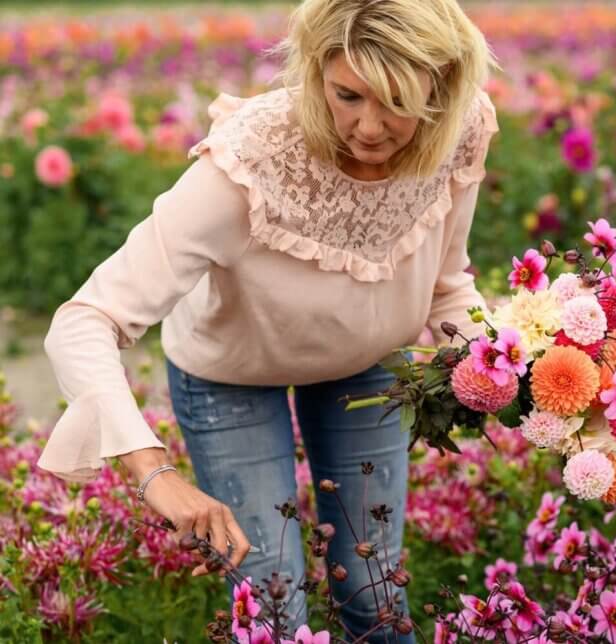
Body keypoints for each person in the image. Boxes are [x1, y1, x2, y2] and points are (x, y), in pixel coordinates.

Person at [36, 0, 498, 638]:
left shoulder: (460, 128)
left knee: (376, 589)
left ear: (442, 88)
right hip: (231, 374)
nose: (368, 127)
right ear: (314, 73)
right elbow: (84, 319)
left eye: (397, 101)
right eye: (347, 95)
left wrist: (522, 370)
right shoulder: (244, 168)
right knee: (275, 601)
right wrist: (153, 473)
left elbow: (449, 286)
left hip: (366, 368)